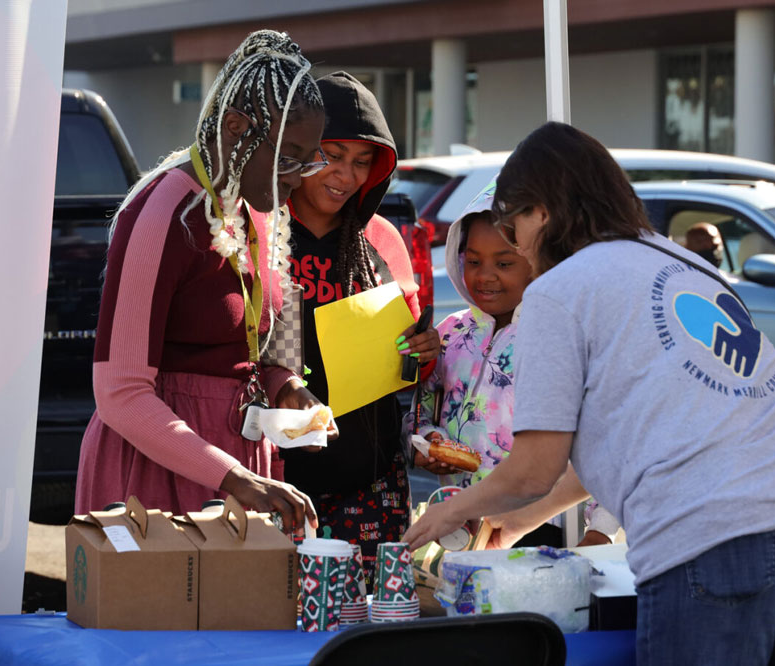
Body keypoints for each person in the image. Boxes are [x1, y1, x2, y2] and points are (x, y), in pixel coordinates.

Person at [405, 121, 775, 666]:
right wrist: (517, 521)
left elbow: (534, 468)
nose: (518, 248)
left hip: (719, 536)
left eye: (513, 230)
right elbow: (632, 440)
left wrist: (449, 514)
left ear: (542, 211)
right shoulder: (684, 262)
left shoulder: (557, 291)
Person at [74, 30, 328, 536]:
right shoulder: (162, 211)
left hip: (236, 470)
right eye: (289, 156)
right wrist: (232, 476)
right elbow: (119, 393)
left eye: (309, 157)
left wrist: (289, 386)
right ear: (236, 127)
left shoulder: (261, 207)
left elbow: (273, 341)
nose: (300, 176)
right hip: (153, 475)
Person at [280, 71, 440, 581]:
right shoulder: (261, 230)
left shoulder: (382, 239)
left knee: (369, 634)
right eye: (332, 154)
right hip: (275, 483)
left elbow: (407, 363)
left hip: (371, 487)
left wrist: (421, 353)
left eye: (362, 161)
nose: (345, 175)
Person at [406, 185, 563, 546]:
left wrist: (600, 525)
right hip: (459, 521)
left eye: (504, 263)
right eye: (473, 261)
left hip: (537, 523)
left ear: (538, 264)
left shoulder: (556, 338)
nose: (484, 276)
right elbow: (420, 410)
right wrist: (429, 442)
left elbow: (593, 444)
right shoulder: (450, 332)